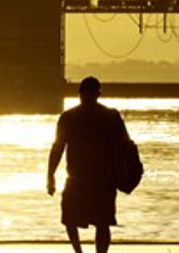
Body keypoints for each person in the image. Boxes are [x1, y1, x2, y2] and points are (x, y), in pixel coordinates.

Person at [47, 76, 129, 253]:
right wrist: (50, 175)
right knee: (90, 221)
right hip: (95, 178)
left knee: (93, 221)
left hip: (89, 178)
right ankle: (80, 252)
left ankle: (79, 252)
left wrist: (51, 176)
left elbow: (58, 148)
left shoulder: (70, 117)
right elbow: (125, 147)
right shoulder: (108, 116)